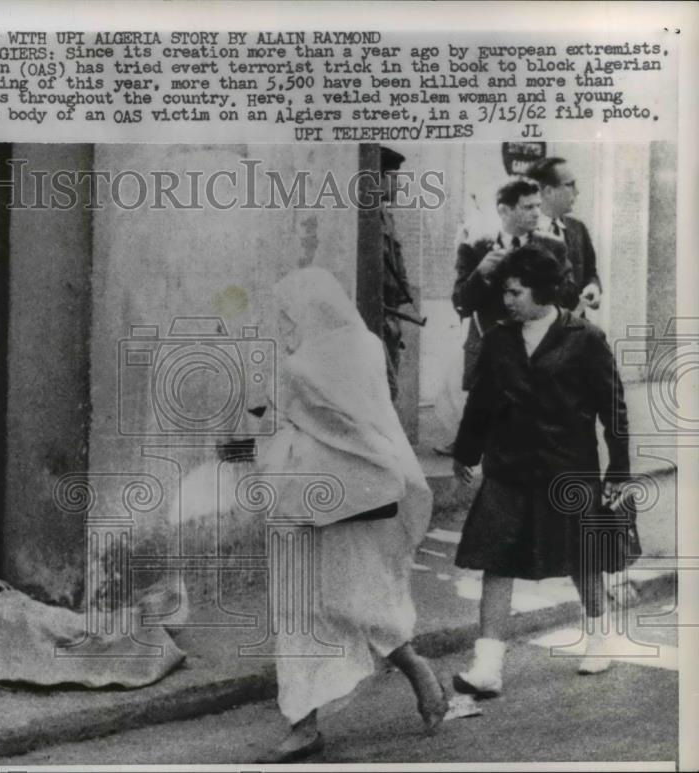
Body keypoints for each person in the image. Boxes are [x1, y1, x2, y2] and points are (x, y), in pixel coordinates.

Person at [255, 266, 447, 763]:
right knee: (365, 597)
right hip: (370, 491)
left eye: (286, 313)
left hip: (305, 498)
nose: (282, 322)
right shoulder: (366, 346)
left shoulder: (299, 369)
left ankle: (304, 725)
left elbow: (274, 418)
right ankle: (415, 670)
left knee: (301, 610)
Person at [450, 244, 630, 698]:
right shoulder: (498, 338)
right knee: (495, 559)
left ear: (542, 290)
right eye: (504, 292)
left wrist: (619, 472)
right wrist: (466, 452)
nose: (507, 301)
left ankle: (598, 638)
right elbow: (482, 403)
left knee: (581, 560)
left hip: (568, 469)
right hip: (509, 467)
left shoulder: (585, 338)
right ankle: (487, 665)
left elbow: (614, 409)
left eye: (515, 291)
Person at [452, 177, 578, 392]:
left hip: (539, 354)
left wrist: (542, 278)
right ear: (504, 211)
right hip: (489, 357)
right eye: (528, 207)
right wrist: (480, 274)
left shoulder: (553, 246)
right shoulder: (476, 248)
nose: (537, 213)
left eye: (538, 206)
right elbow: (461, 304)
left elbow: (570, 297)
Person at [526, 156, 603, 312]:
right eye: (570, 185)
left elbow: (591, 273)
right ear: (548, 192)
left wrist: (593, 287)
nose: (577, 191)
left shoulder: (578, 228)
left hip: (574, 332)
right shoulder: (525, 233)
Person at [378, 146, 419, 401]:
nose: (400, 187)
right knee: (384, 388)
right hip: (379, 315)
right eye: (395, 179)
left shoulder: (386, 217)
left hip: (391, 317)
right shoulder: (369, 217)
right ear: (378, 179)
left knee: (389, 389)